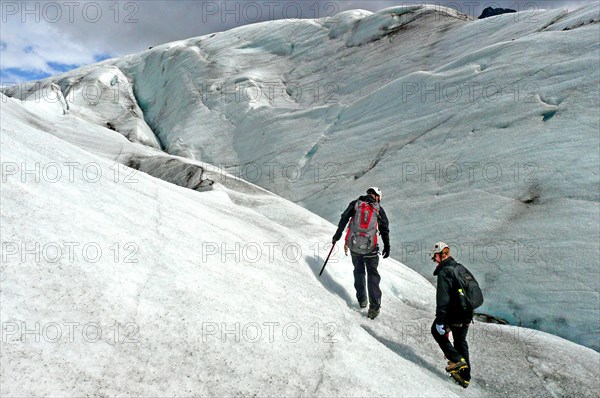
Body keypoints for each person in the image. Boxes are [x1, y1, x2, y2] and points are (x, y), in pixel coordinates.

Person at [332, 187, 390, 319]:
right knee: (372, 275)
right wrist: (387, 245)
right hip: (371, 248)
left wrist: (337, 235)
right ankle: (374, 307)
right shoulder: (378, 208)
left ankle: (362, 299)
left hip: (354, 246)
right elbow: (384, 227)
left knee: (358, 271)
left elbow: (344, 218)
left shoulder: (356, 204)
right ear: (377, 197)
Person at [430, 242, 472, 388]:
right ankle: (465, 376)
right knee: (460, 341)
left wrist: (440, 320)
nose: (434, 261)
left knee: (436, 330)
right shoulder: (459, 267)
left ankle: (456, 360)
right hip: (467, 312)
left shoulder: (444, 272)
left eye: (434, 257)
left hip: (454, 313)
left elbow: (443, 299)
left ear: (439, 255)